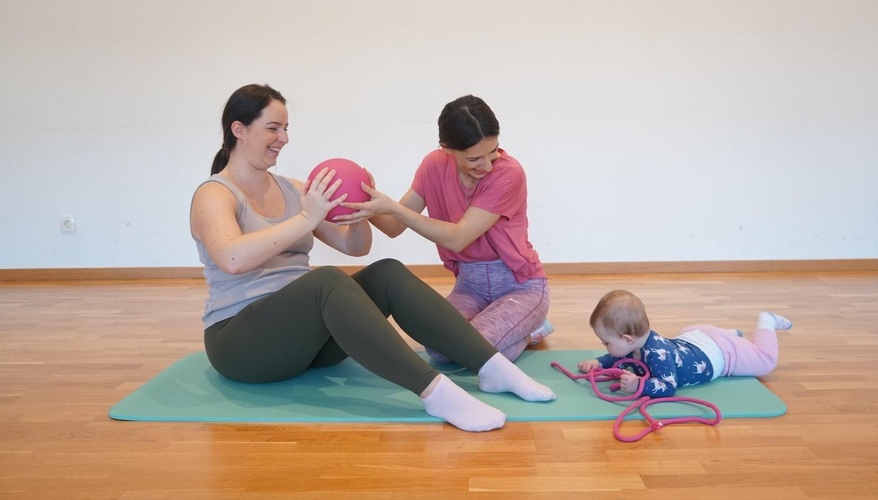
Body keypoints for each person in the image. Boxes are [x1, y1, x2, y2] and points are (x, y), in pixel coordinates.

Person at [189, 83, 555, 432]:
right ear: (239, 129)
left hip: (302, 344)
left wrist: (359, 211)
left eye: (286, 128)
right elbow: (232, 259)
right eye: (273, 128)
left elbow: (354, 247)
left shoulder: (293, 189)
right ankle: (437, 394)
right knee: (327, 280)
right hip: (241, 345)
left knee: (387, 273)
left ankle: (491, 367)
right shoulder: (215, 193)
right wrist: (307, 218)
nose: (284, 138)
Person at [339, 95, 551, 365]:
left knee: (474, 353)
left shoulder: (509, 173)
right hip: (469, 287)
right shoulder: (433, 165)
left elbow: (459, 237)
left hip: (520, 288)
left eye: (493, 151)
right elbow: (394, 226)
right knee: (438, 351)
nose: (486, 166)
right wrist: (362, 202)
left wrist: (391, 206)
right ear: (447, 148)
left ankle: (532, 329)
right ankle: (515, 329)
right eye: (475, 158)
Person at [577, 289, 792, 398]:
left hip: (720, 353)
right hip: (695, 337)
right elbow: (618, 357)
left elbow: (668, 386)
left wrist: (639, 385)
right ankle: (730, 335)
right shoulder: (634, 344)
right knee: (706, 341)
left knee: (765, 361)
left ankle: (766, 322)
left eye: (605, 342)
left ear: (627, 339)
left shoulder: (657, 354)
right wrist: (599, 362)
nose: (605, 347)